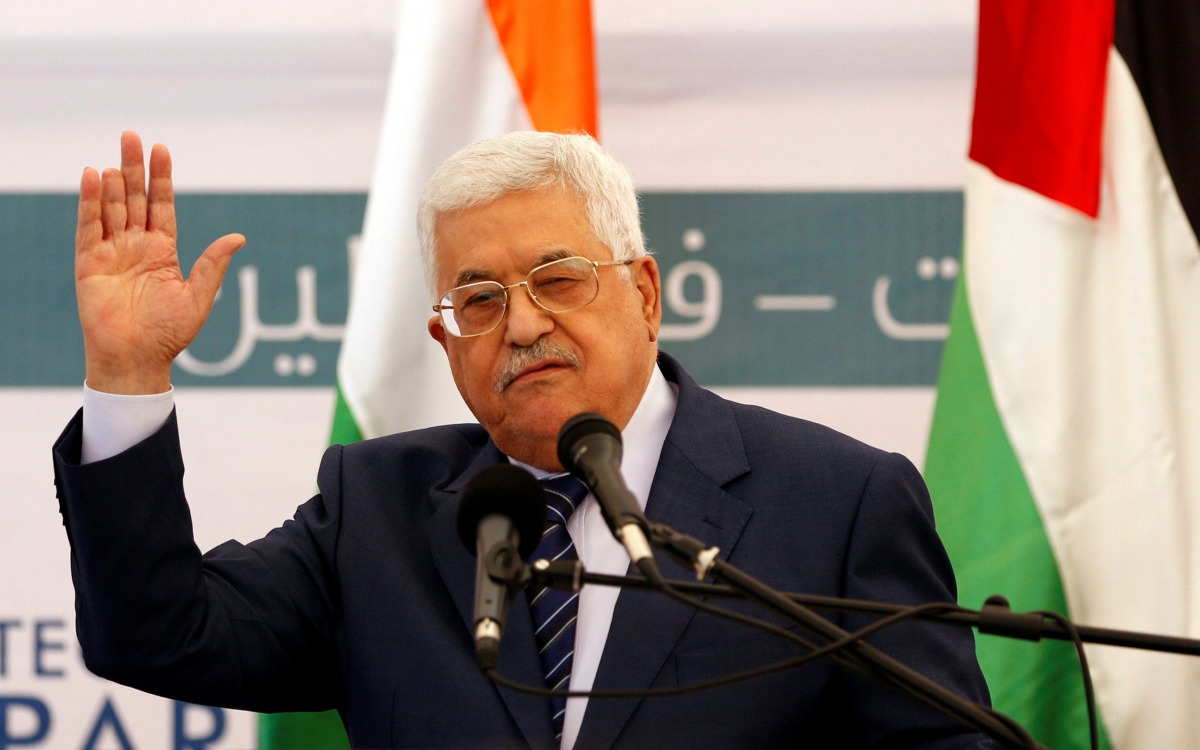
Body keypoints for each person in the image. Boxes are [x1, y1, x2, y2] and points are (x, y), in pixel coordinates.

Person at [53, 130, 999, 749]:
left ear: (645, 292)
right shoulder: (372, 510)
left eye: (557, 277)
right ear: (446, 341)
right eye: (479, 299)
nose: (521, 325)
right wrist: (128, 377)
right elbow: (159, 636)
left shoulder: (833, 503)